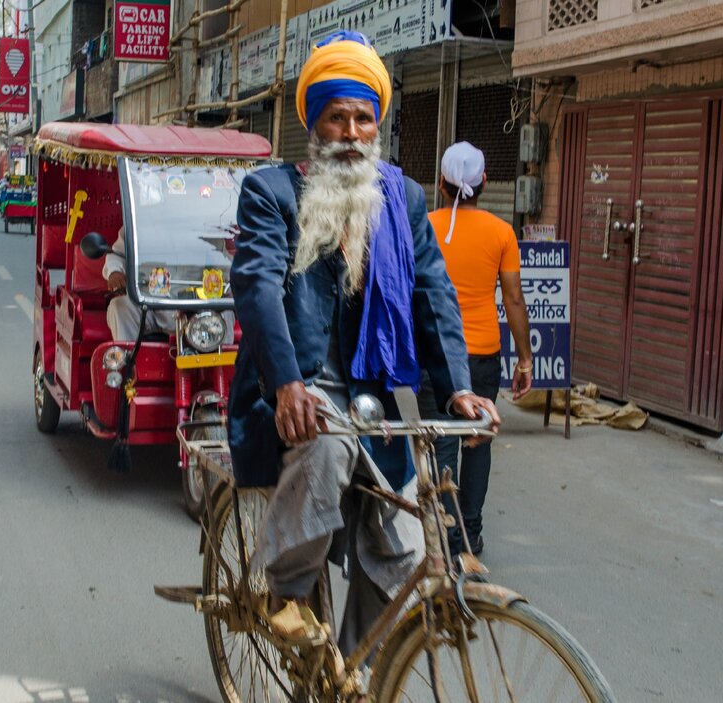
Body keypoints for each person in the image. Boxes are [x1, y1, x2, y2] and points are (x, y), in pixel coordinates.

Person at [227, 30, 500, 666]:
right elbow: (259, 288)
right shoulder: (272, 191)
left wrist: (459, 385)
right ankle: (285, 592)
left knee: (403, 541)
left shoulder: (402, 197)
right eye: (337, 118)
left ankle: (352, 669)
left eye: (363, 118)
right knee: (326, 440)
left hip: (375, 390)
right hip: (298, 384)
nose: (351, 132)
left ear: (376, 125)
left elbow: (433, 292)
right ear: (315, 126)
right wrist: (288, 381)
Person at [420, 141, 534, 557]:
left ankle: (447, 534)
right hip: (483, 352)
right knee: (479, 440)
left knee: (443, 439)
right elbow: (515, 299)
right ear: (484, 182)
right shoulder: (502, 232)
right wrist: (525, 357)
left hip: (433, 354)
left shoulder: (424, 226)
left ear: (441, 183)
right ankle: (470, 532)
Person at [102, 226, 177, 340]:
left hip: (189, 307)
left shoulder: (201, 220)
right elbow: (117, 253)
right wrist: (115, 272)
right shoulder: (139, 220)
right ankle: (127, 356)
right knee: (119, 307)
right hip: (147, 304)